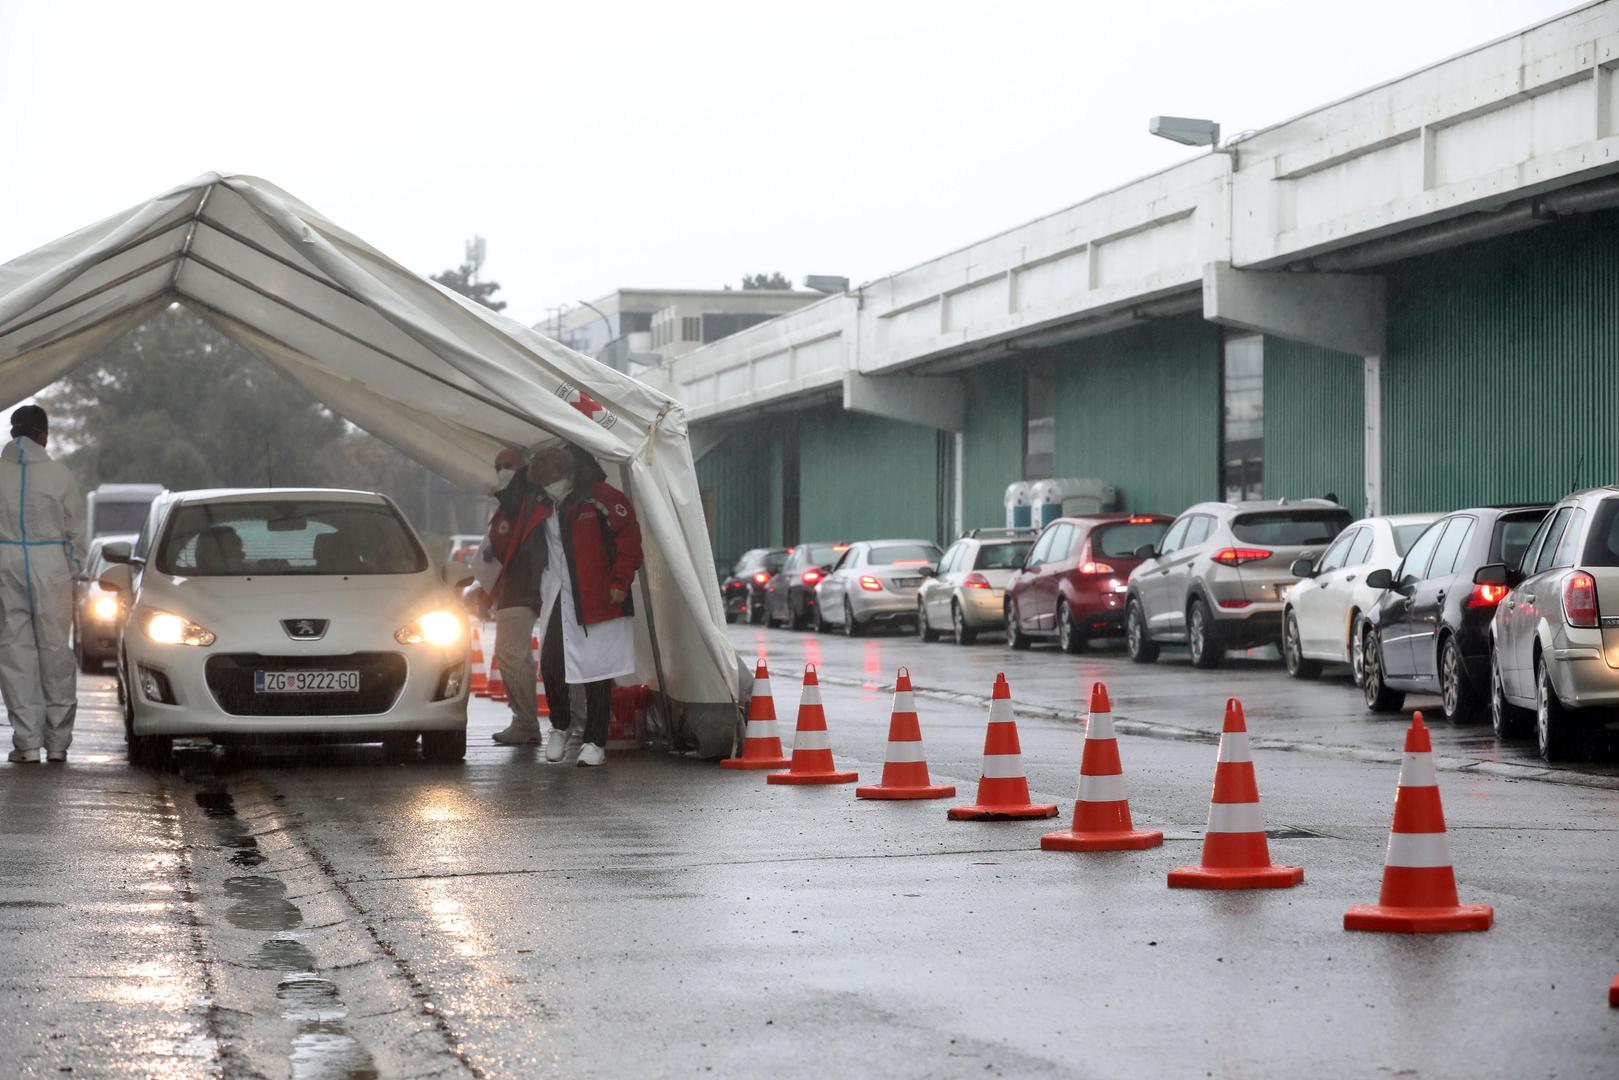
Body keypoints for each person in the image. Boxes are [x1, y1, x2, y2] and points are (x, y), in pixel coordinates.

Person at [489, 442, 643, 766]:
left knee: (597, 669)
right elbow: (514, 536)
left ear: (569, 475)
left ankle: (595, 741)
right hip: (559, 590)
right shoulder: (543, 502)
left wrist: (620, 581)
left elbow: (629, 537)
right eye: (542, 485)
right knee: (552, 661)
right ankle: (560, 725)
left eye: (551, 483)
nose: (548, 490)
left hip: (598, 592)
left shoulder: (601, 497)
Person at [0, 405, 87, 764]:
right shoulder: (60, 475)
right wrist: (75, 569)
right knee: (55, 652)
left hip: (5, 565)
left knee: (15, 654)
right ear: (43, 434)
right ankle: (57, 743)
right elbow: (76, 530)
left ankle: (27, 743)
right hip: (51, 566)